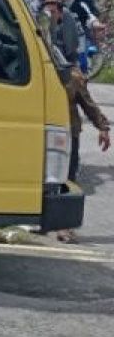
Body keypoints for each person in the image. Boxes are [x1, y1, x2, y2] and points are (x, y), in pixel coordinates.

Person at [57, 66, 110, 244]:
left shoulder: (72, 77)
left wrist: (103, 128)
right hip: (40, 134)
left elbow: (88, 104)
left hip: (67, 134)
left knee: (68, 180)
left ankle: (63, 225)